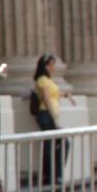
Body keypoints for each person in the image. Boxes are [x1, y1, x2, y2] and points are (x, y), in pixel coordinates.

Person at [33, 54, 69, 185]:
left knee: (54, 144)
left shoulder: (48, 80)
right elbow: (47, 98)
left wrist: (66, 95)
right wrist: (54, 117)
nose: (53, 68)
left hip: (50, 114)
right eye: (51, 65)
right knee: (53, 144)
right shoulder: (42, 80)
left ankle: (54, 174)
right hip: (46, 114)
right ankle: (52, 175)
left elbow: (54, 94)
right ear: (46, 66)